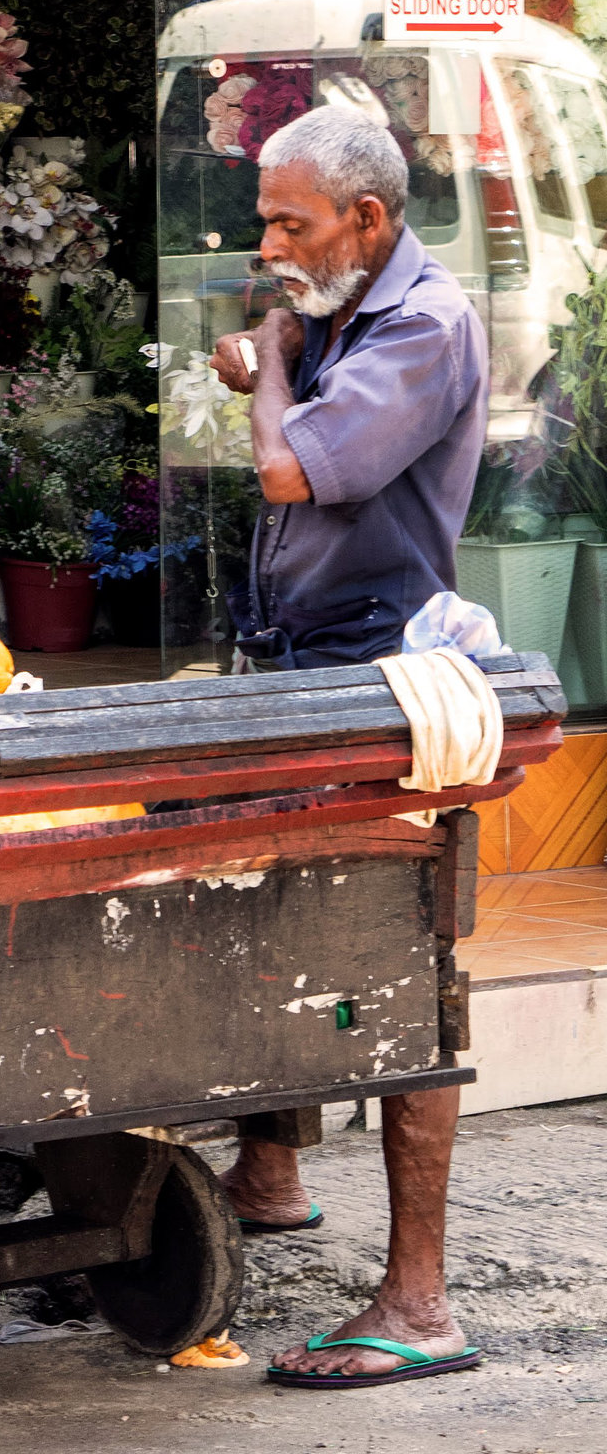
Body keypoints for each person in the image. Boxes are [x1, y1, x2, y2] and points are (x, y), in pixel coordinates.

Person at [208, 104, 489, 1387]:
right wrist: (273, 352)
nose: (270, 243)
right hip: (302, 664)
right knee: (271, 920)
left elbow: (288, 475)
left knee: (399, 965)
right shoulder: (342, 305)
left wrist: (268, 364)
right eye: (266, 218)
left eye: (291, 223)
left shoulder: (423, 328)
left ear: (367, 221)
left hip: (381, 682)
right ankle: (269, 1174)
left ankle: (419, 1298)